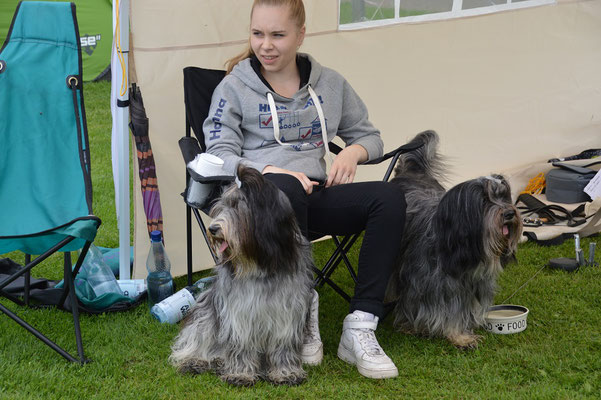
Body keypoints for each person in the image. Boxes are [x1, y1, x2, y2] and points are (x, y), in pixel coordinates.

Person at [203, 0, 406, 380]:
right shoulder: (233, 88)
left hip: (317, 195)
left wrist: (353, 151)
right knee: (283, 187)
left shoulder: (329, 83)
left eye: (278, 35)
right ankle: (301, 309)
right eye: (258, 34)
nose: (266, 45)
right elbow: (217, 154)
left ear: (300, 34)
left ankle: (360, 324)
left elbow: (370, 137)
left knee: (389, 198)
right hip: (261, 209)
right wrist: (266, 170)